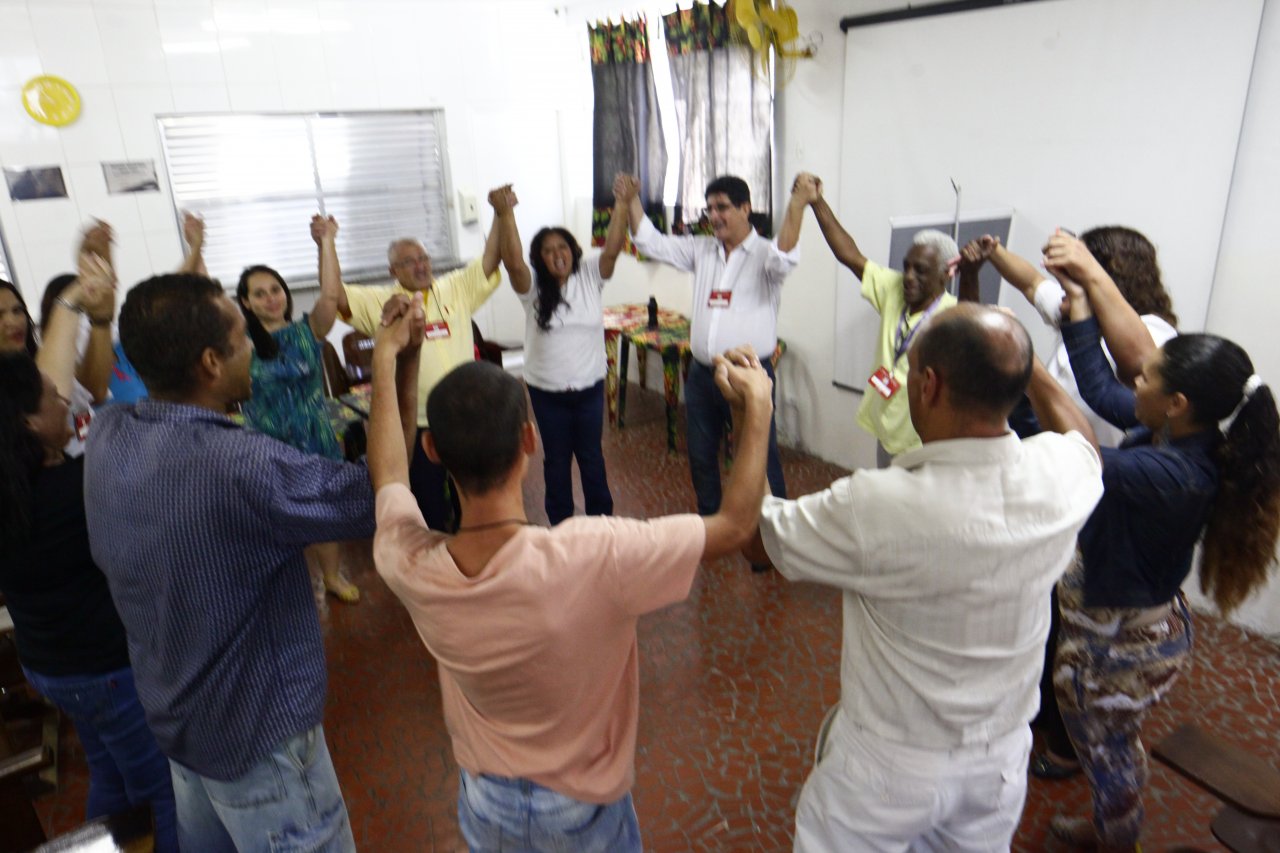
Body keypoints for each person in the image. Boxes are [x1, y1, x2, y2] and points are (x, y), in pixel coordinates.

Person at [367, 286, 776, 851]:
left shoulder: (407, 561)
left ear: (433, 450)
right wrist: (759, 410)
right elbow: (734, 526)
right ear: (529, 440)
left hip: (486, 800)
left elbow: (389, 471)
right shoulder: (593, 555)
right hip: (582, 806)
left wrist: (392, 357)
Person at [83, 273, 417, 850]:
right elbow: (382, 492)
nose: (253, 350)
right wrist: (388, 360)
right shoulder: (238, 465)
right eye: (242, 339)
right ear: (211, 362)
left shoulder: (110, 433)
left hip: (182, 730)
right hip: (262, 746)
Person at [755, 303, 1104, 851]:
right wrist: (1026, 364)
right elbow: (1083, 442)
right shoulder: (1057, 475)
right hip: (999, 762)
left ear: (929, 386)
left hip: (888, 768)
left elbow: (758, 538)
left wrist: (755, 414)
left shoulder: (878, 504)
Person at [1033, 233, 1280, 850]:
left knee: (1109, 750)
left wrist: (1028, 371)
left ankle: (1118, 840)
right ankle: (1107, 825)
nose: (1132, 380)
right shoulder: (1172, 433)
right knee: (1102, 739)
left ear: (1176, 403)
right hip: (1121, 616)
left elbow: (1083, 451)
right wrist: (1082, 306)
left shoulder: (1178, 473)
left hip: (1127, 639)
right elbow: (1095, 385)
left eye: (1144, 376)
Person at [957, 226, 1180, 781]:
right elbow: (1031, 281)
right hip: (1061, 469)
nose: (1060, 278)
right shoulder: (1075, 307)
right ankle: (1044, 710)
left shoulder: (1149, 333)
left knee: (1076, 620)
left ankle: (1065, 743)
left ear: (1106, 273)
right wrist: (991, 254)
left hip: (1104, 483)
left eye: (1078, 267)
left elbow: (1122, 386)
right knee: (1050, 601)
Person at [0, 253, 178, 852]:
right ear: (29, 424)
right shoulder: (76, 488)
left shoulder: (15, 491)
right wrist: (77, 303)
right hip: (104, 667)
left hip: (49, 665)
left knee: (108, 772)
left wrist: (86, 312)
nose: (68, 405)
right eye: (52, 402)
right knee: (161, 788)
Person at [619, 171, 810, 551]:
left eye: (723, 207)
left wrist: (798, 203)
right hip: (704, 374)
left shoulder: (765, 254)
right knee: (701, 454)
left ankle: (776, 536)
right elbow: (649, 241)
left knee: (760, 454)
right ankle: (712, 525)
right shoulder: (702, 249)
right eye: (709, 209)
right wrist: (633, 199)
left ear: (746, 208)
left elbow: (786, 254)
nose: (715, 216)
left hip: (749, 377)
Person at [335, 184, 526, 531]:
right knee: (427, 506)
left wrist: (500, 213)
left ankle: (473, 557)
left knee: (472, 499)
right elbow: (334, 294)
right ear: (393, 270)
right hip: (418, 423)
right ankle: (436, 567)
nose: (420, 266)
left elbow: (491, 258)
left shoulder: (454, 287)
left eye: (424, 258)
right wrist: (327, 244)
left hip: (463, 417)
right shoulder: (381, 301)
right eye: (409, 262)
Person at [234, 214, 360, 603]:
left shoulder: (308, 331)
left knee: (324, 516)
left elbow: (330, 295)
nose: (271, 297)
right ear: (245, 302)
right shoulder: (239, 343)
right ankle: (282, 589)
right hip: (266, 447)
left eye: (276, 289)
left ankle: (332, 578)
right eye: (259, 293)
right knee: (273, 522)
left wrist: (326, 242)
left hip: (314, 438)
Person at [804, 176, 961, 464]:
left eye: (921, 270)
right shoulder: (893, 287)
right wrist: (816, 202)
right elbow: (848, 254)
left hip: (921, 440)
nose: (909, 277)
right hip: (887, 429)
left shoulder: (952, 315)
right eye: (907, 267)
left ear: (946, 273)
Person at [505, 186, 629, 525]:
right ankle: (560, 527)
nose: (557, 254)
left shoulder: (590, 276)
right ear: (539, 258)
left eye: (562, 247)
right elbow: (513, 261)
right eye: (548, 250)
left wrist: (621, 202)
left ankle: (602, 524)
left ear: (573, 251)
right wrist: (506, 214)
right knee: (557, 461)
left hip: (589, 390)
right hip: (548, 394)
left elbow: (613, 248)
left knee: (592, 457)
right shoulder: (532, 289)